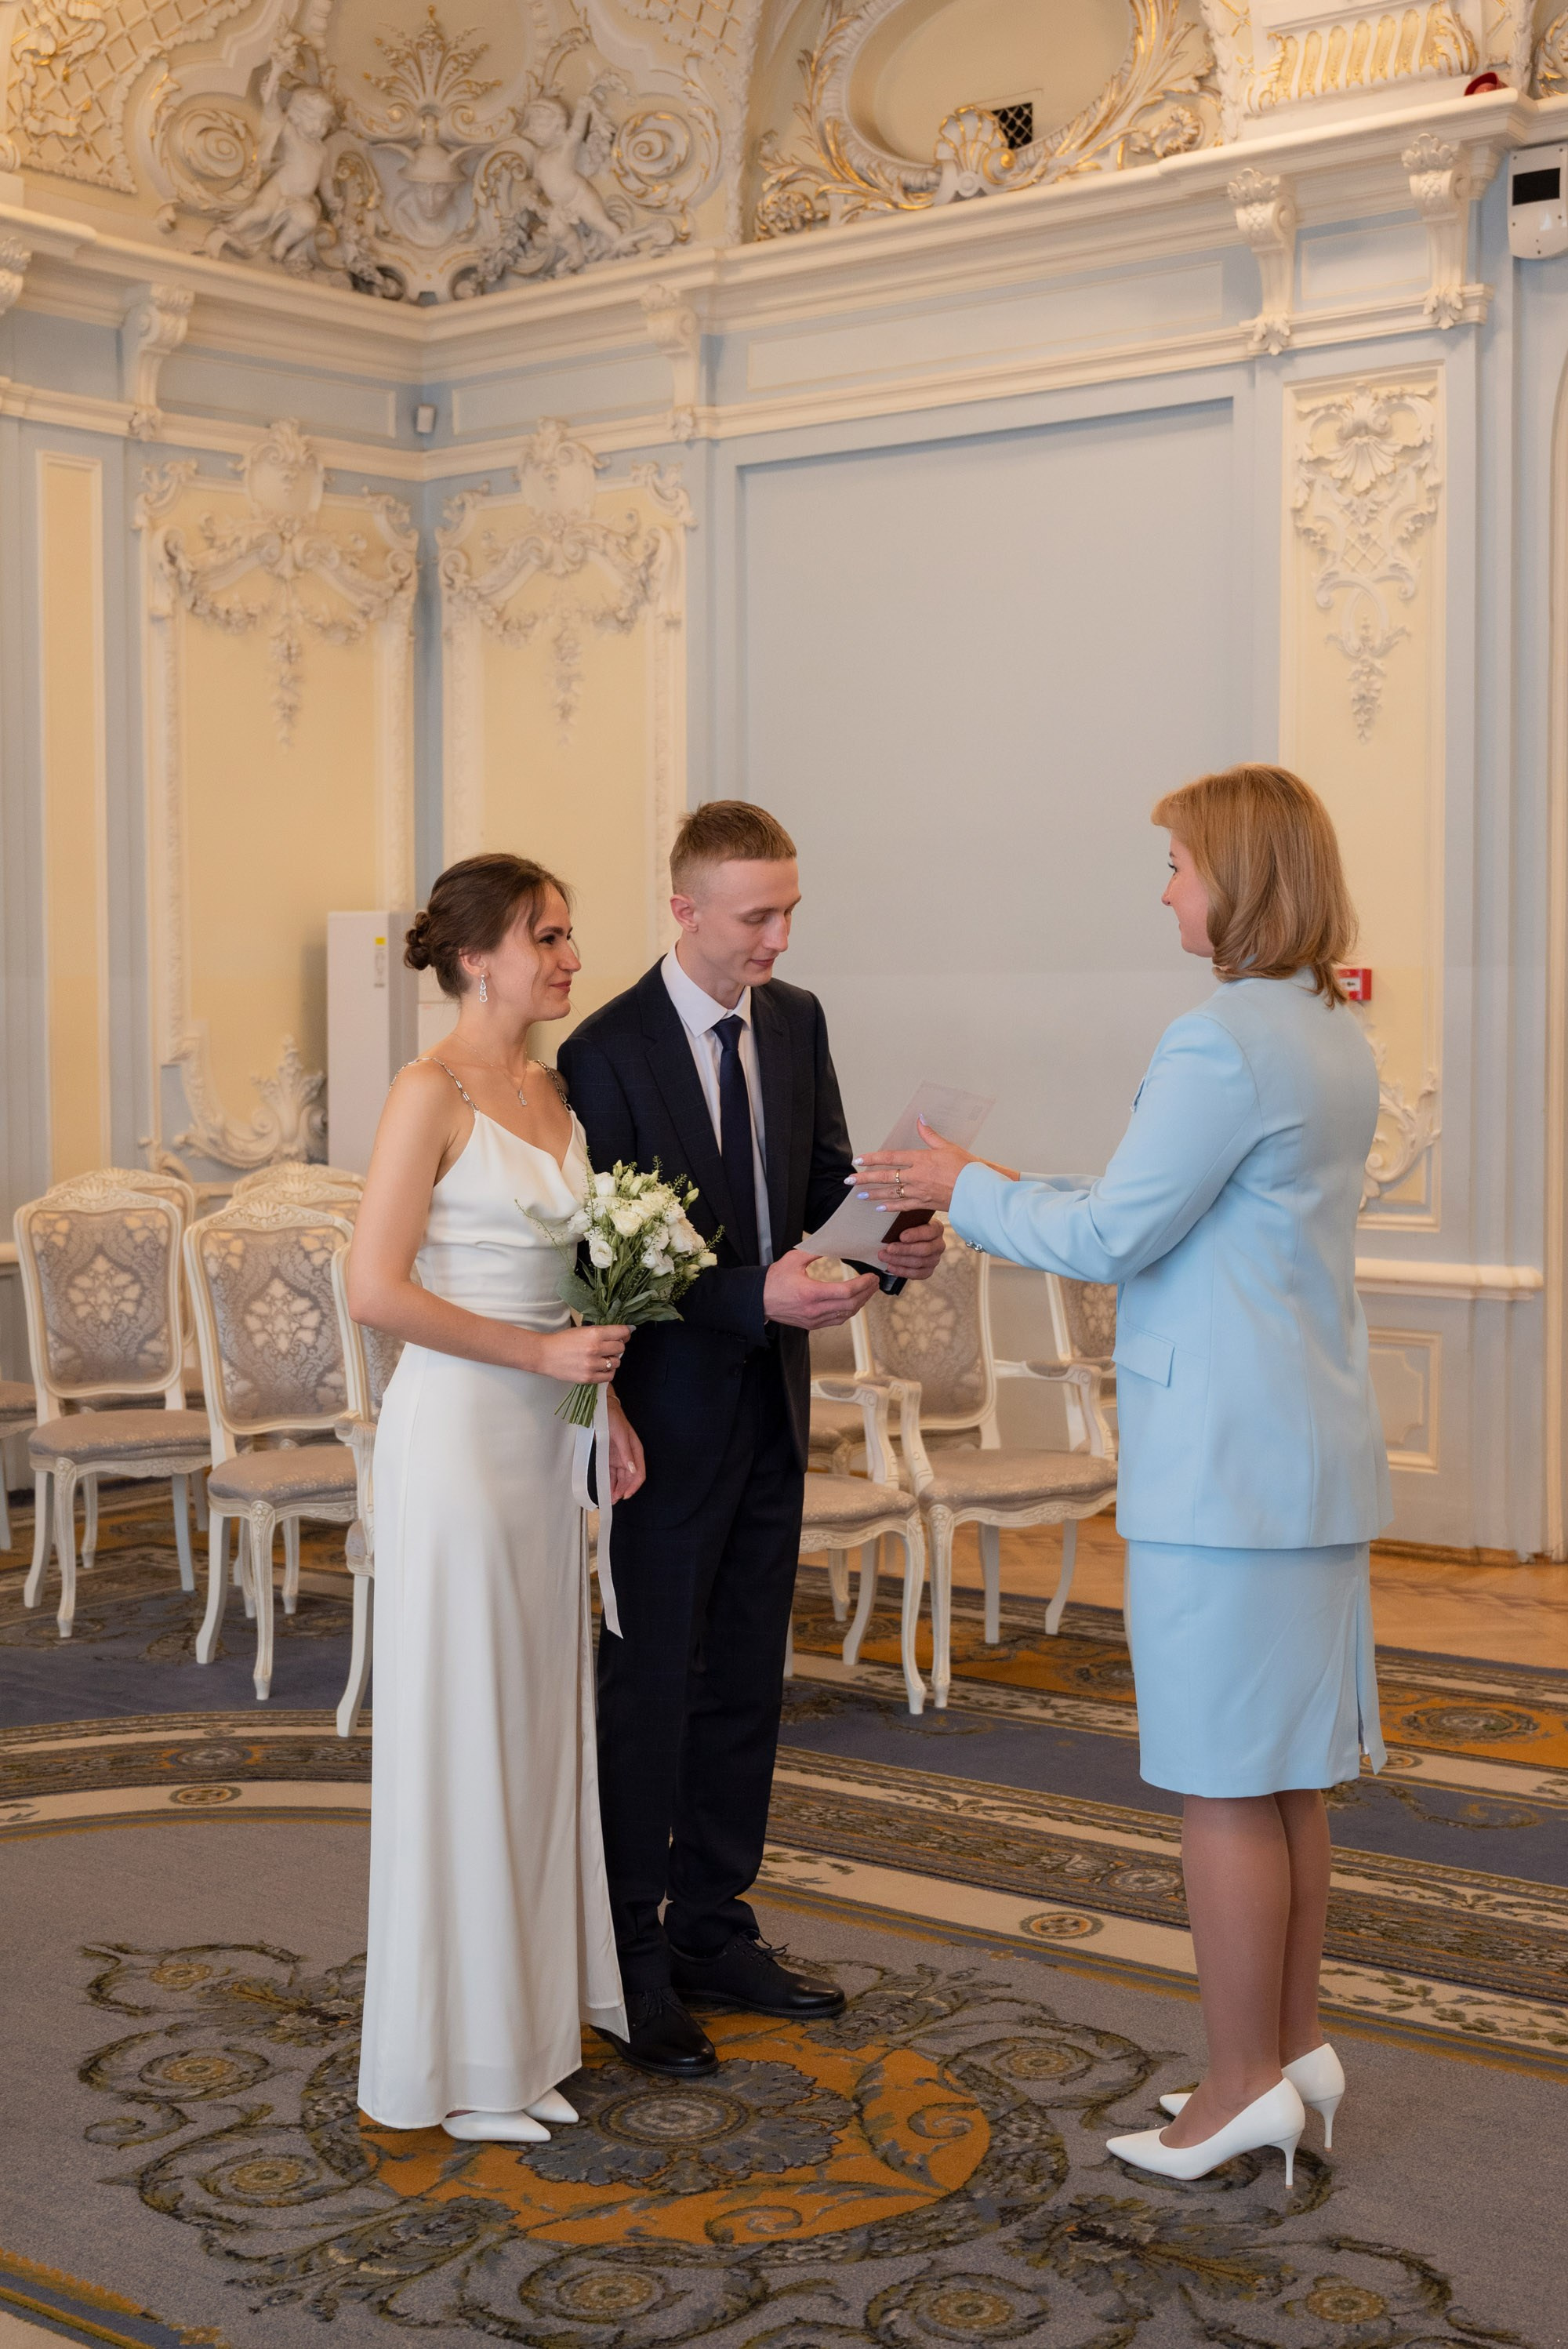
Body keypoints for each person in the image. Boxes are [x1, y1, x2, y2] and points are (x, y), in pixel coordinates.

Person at [855, 764, 1389, 2187]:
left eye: (1174, 864)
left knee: (1223, 1784)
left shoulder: (1221, 1040)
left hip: (1225, 1467)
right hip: (1309, 1454)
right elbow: (1166, 1212)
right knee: (1287, 1780)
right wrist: (995, 1179)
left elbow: (1115, 1243)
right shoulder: (1332, 1031)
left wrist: (956, 1183)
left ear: (1235, 873)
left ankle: (1232, 2091)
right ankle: (1285, 2053)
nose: (1163, 888)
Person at [558, 801, 946, 2079]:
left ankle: (719, 1930)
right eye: (755, 917)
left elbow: (822, 1181)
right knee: (650, 1693)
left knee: (742, 1691)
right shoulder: (604, 1051)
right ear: (684, 912)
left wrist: (893, 1246)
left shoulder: (798, 1021)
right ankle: (631, 1959)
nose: (778, 938)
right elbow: (599, 1258)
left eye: (790, 912)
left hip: (777, 1409)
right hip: (659, 1429)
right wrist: (748, 1295)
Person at [349, 854, 644, 2145]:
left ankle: (524, 2040)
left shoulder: (552, 1087)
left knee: (534, 1726)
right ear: (479, 958)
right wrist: (537, 1362)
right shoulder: (431, 1092)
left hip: (542, 1441)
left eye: (572, 935)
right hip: (461, 1435)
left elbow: (573, 1297)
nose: (573, 957)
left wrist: (601, 1408)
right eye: (550, 937)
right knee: (466, 1727)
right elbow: (375, 1289)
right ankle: (455, 2065)